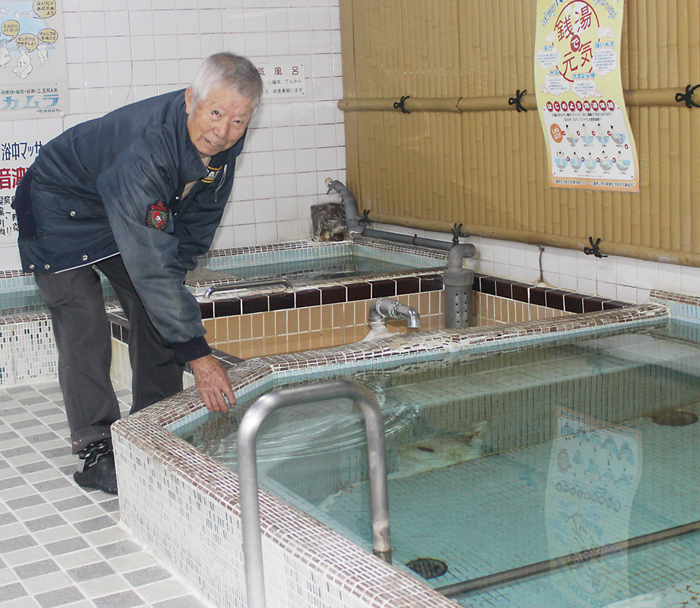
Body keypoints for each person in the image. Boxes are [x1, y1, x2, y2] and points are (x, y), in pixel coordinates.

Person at [13, 52, 263, 495]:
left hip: (109, 209)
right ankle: (96, 448)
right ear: (191, 100)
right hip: (55, 203)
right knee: (83, 317)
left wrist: (175, 286)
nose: (222, 132)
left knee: (156, 306)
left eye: (239, 121)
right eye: (216, 113)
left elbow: (197, 220)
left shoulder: (222, 146)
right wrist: (198, 355)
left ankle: (155, 421)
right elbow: (150, 264)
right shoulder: (146, 148)